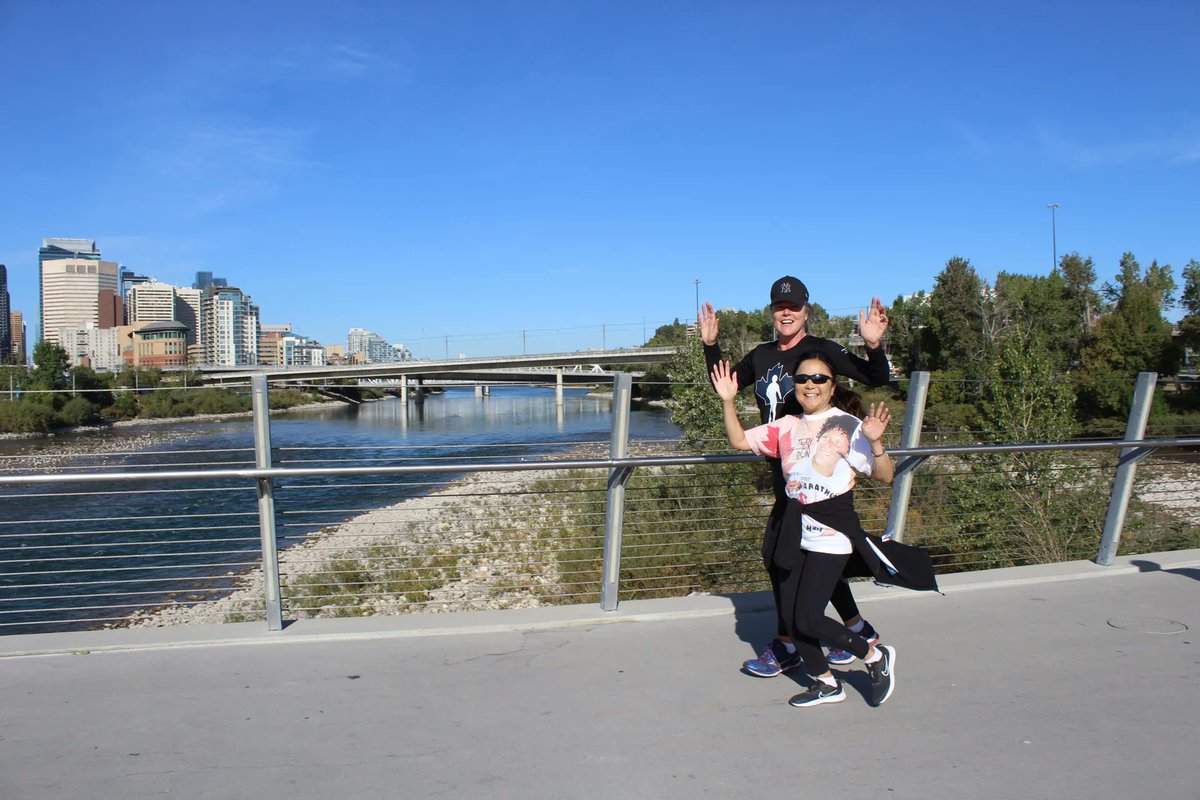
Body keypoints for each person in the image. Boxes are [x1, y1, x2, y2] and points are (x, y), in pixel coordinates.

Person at [700, 276, 892, 674]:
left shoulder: (820, 351)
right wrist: (710, 346)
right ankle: (856, 629)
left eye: (794, 306)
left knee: (782, 556)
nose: (786, 312)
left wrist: (873, 345)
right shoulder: (761, 354)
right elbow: (724, 385)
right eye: (778, 306)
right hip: (782, 464)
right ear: (772, 312)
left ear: (807, 310)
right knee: (807, 554)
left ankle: (791, 642)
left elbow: (875, 378)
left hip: (817, 470)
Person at [711, 351, 898, 707]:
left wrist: (875, 442)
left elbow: (885, 475)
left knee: (809, 618)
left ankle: (875, 657)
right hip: (795, 531)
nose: (810, 385)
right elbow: (738, 441)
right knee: (793, 621)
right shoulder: (785, 426)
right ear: (793, 386)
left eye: (819, 379)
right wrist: (729, 401)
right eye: (802, 379)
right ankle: (827, 684)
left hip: (832, 534)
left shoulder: (847, 425)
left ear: (832, 386)